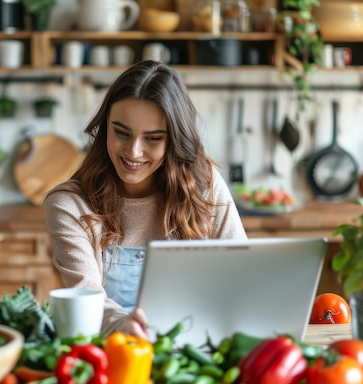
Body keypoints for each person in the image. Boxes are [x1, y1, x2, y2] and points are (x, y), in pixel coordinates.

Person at [44, 60, 247, 340]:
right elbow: (87, 299)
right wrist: (126, 327)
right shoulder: (69, 205)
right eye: (121, 133)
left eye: (152, 138)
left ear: (174, 140)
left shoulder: (205, 184)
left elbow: (240, 273)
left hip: (197, 346)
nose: (134, 152)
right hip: (116, 351)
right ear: (104, 129)